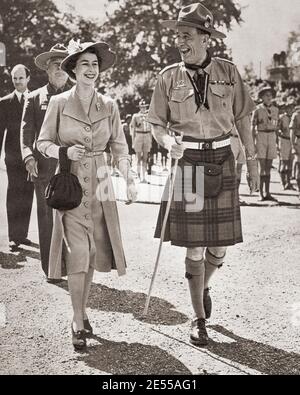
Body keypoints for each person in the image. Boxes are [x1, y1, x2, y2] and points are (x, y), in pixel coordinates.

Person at [147, 3, 259, 347]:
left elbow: (243, 118)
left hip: (223, 158)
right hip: (189, 164)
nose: (180, 41)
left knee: (220, 247)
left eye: (187, 35)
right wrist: (168, 143)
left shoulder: (229, 72)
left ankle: (204, 284)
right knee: (194, 247)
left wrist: (252, 159)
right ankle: (197, 319)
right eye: (177, 35)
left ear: (205, 37)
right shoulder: (168, 76)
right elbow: (156, 123)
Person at [37, 39, 137, 350]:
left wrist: (129, 178)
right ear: (73, 70)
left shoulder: (109, 105)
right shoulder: (59, 103)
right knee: (78, 253)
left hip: (102, 181)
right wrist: (63, 151)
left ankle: (81, 311)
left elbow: (120, 147)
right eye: (85, 65)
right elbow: (43, 142)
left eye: (95, 65)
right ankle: (77, 319)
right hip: (69, 183)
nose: (91, 70)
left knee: (93, 253)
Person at [21, 44, 71, 282]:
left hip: (74, 166)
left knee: (74, 216)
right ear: (47, 70)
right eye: (55, 65)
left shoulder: (79, 93)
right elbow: (25, 132)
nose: (60, 69)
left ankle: (74, 265)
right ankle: (52, 268)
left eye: (64, 65)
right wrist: (28, 157)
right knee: (47, 218)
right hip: (44, 168)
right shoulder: (33, 98)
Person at [0, 64, 34, 251]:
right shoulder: (4, 102)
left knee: (28, 194)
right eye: (15, 78)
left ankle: (23, 234)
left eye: (21, 78)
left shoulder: (36, 99)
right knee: (14, 194)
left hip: (31, 157)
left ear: (28, 78)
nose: (18, 81)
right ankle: (14, 236)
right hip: (12, 157)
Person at [251, 86, 279, 201]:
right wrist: (252, 142)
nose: (269, 97)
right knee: (262, 167)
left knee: (268, 167)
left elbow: (276, 125)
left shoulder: (276, 110)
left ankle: (268, 192)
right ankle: (261, 193)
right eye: (266, 95)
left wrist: (277, 142)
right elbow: (252, 126)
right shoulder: (257, 109)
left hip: (271, 136)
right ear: (261, 97)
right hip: (261, 136)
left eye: (270, 95)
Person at [130, 99, 152, 183]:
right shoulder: (135, 116)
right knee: (138, 158)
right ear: (139, 108)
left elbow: (151, 128)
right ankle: (139, 176)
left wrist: (151, 140)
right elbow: (132, 129)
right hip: (138, 135)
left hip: (147, 135)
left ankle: (144, 177)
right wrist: (133, 141)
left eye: (144, 107)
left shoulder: (149, 116)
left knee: (145, 158)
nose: (143, 108)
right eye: (141, 107)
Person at [278, 105, 294, 190]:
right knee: (284, 162)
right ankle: (283, 182)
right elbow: (277, 129)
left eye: (292, 107)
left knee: (290, 163)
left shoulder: (294, 117)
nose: (290, 109)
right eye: (289, 107)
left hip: (292, 141)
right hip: (284, 140)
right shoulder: (282, 117)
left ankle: (289, 182)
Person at [230, 127, 246, 203]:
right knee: (231, 168)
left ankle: (237, 195)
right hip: (231, 138)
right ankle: (231, 196)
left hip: (242, 140)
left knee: (239, 169)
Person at [290, 102, 300, 198]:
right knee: (298, 165)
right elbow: (292, 132)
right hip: (299, 141)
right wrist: (293, 145)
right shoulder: (296, 115)